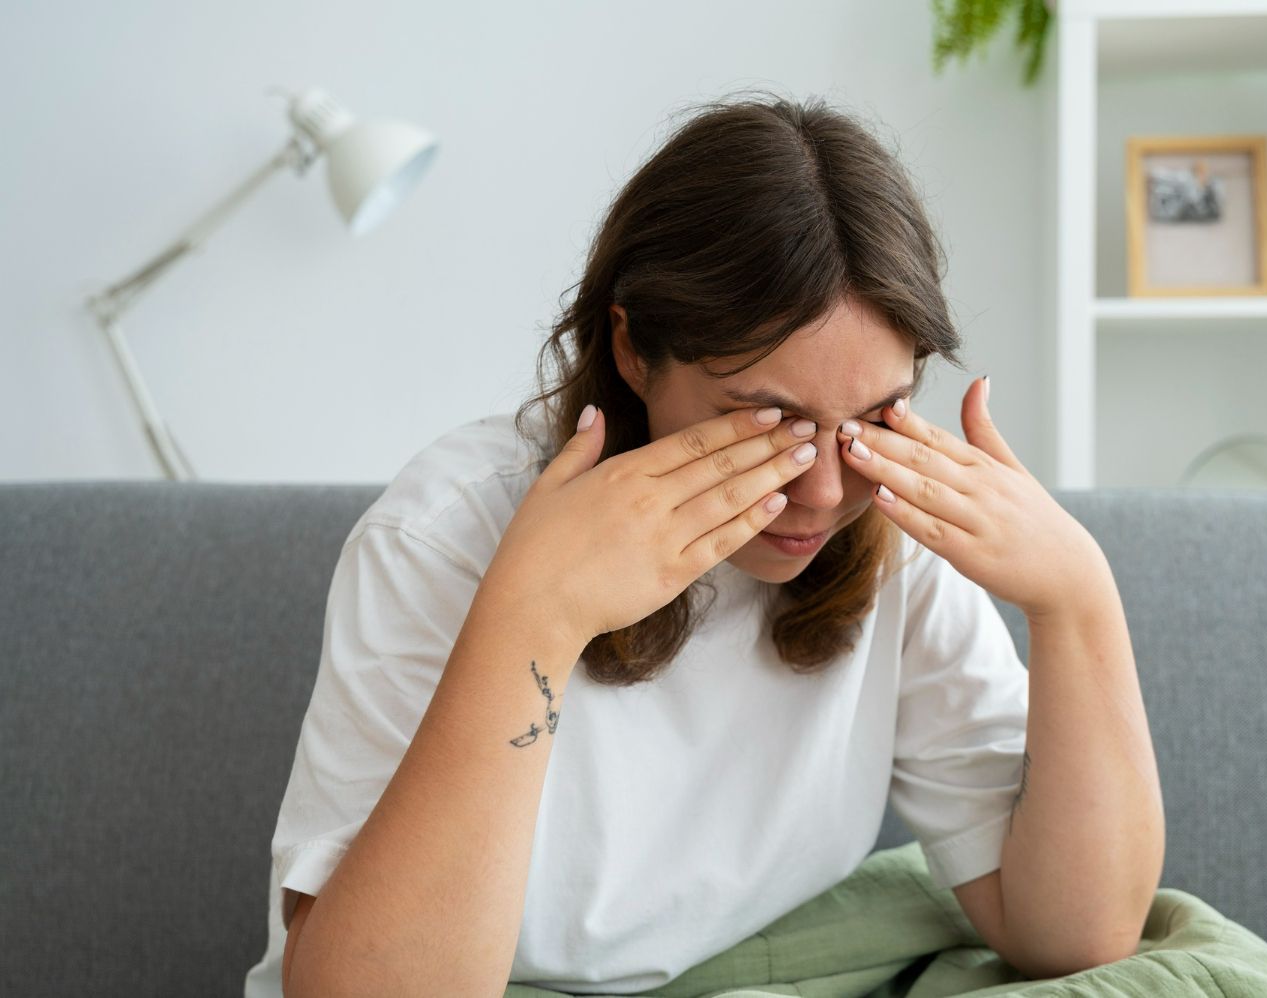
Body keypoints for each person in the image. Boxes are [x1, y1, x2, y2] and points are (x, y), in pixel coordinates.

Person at [244, 90, 1048, 997]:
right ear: (633, 350)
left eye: (870, 418)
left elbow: (1070, 928)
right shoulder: (442, 534)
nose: (826, 492)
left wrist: (1076, 603)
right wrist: (534, 619)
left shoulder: (889, 522)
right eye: (767, 420)